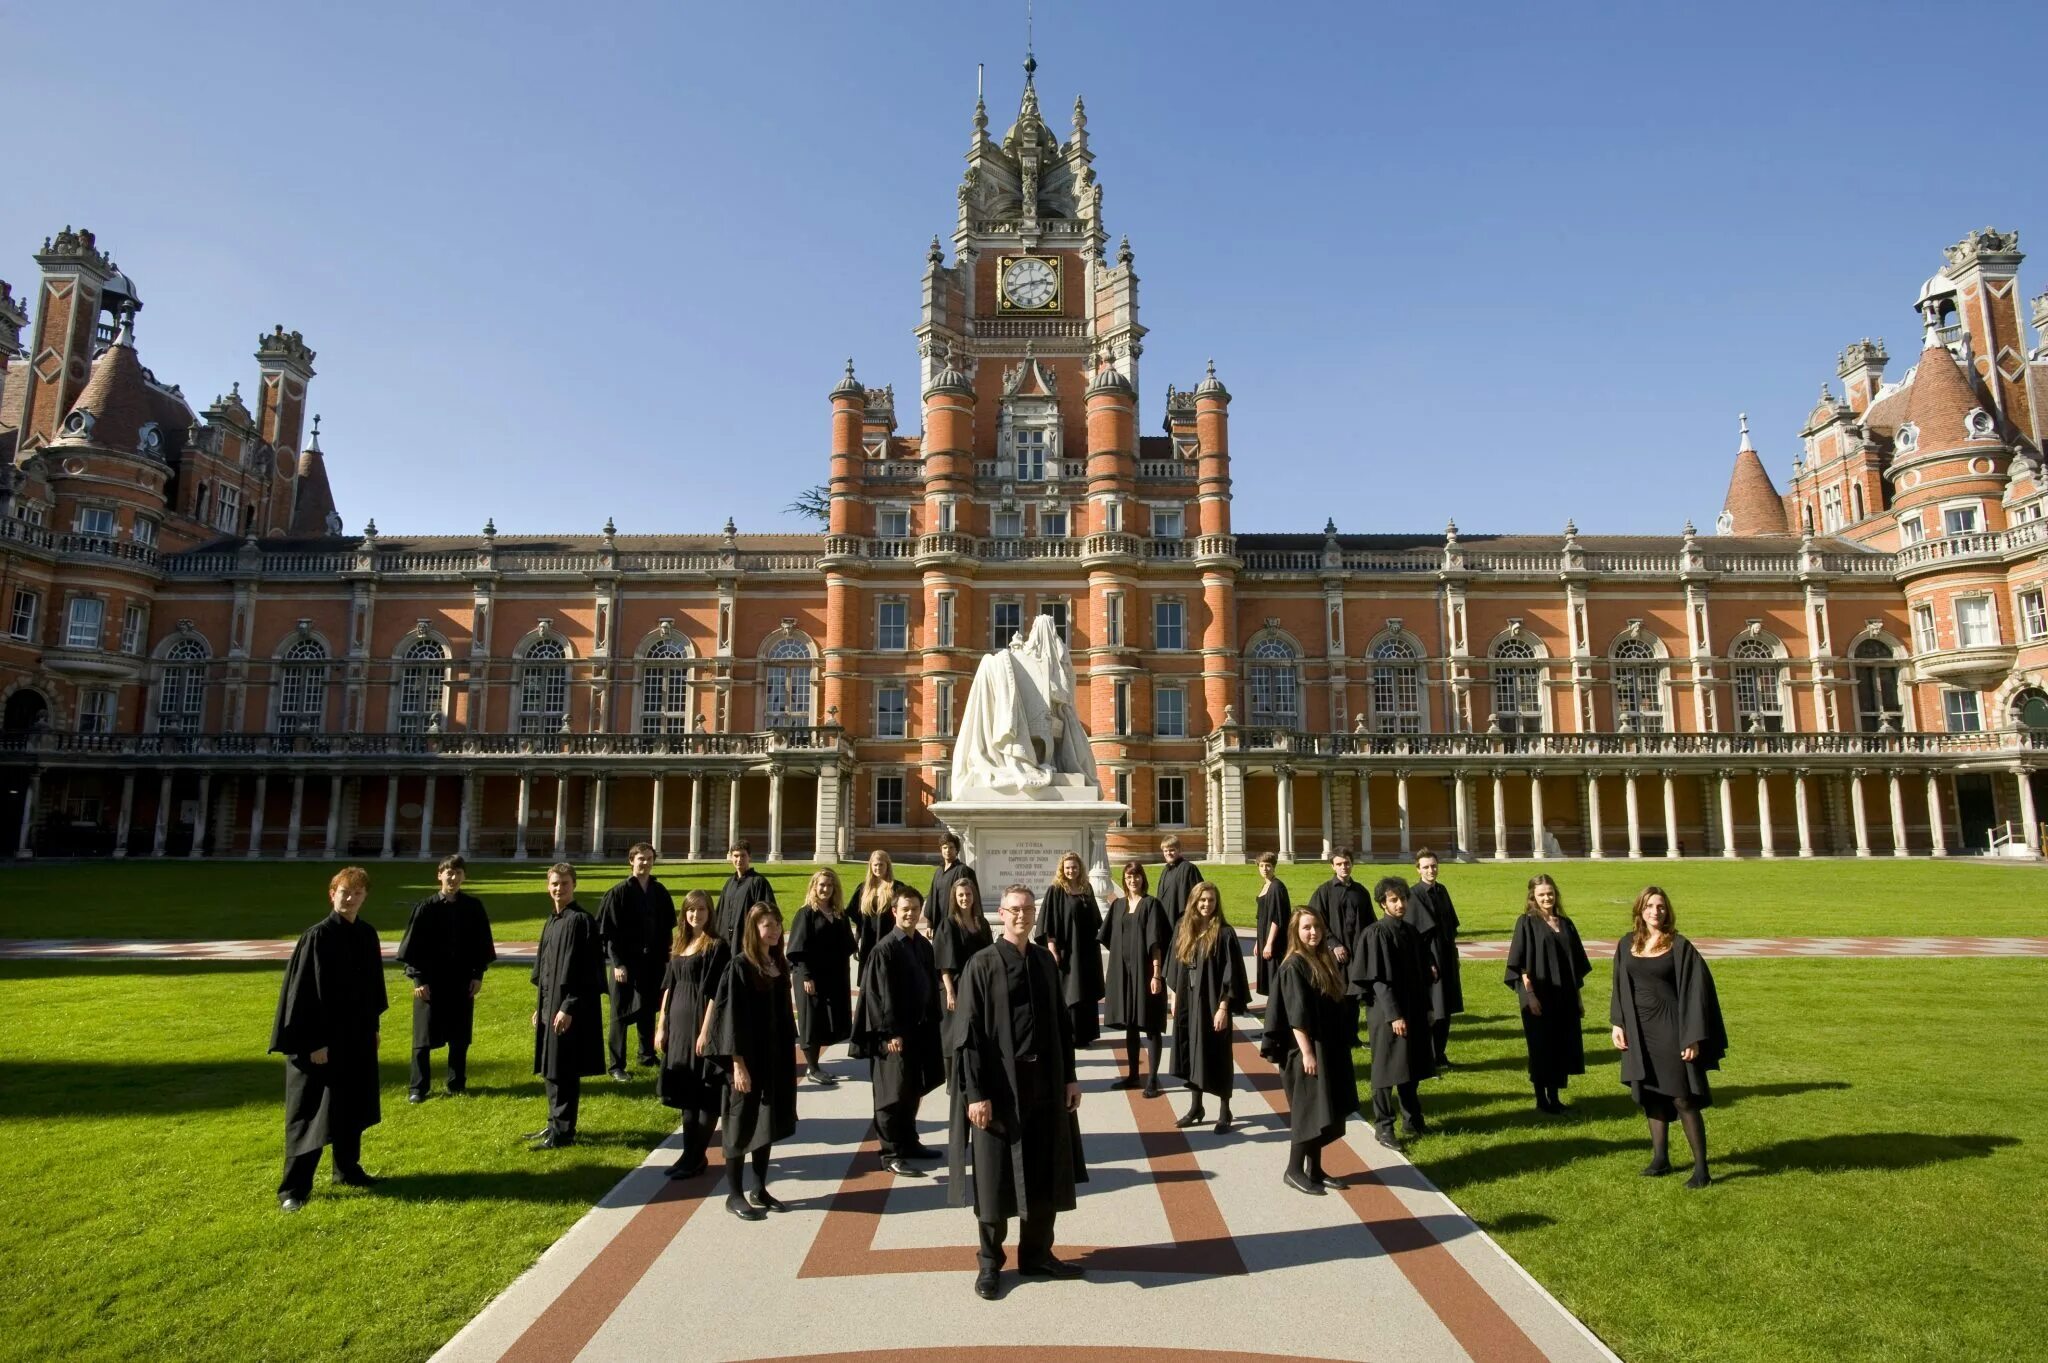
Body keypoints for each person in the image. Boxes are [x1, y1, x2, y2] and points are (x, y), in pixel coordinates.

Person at [949, 885, 1087, 1300]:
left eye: (1028, 909)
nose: (1021, 916)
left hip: (1044, 1082)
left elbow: (1062, 1025)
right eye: (1014, 910)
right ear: (1001, 914)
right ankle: (990, 1263)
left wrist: (1071, 1077)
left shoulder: (1044, 961)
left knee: (1044, 1169)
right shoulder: (982, 965)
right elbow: (968, 1036)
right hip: (998, 1089)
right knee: (995, 1178)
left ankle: (1037, 1254)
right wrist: (976, 1094)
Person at [269, 867, 388, 1212]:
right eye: (344, 892)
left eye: (357, 893)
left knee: (351, 1104)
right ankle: (294, 1188)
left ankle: (347, 1170)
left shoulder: (366, 934)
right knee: (311, 1111)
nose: (350, 899)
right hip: (319, 1042)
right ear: (332, 893)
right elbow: (303, 994)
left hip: (357, 1036)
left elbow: (371, 989)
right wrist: (314, 1043)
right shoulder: (317, 937)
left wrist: (374, 1027)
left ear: (365, 897)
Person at [1611, 886, 1728, 1189]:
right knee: (1651, 1095)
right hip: (1640, 1029)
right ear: (1640, 910)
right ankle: (1660, 1158)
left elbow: (1697, 992)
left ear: (1667, 910)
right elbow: (1619, 986)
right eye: (1650, 906)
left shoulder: (1679, 945)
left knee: (1682, 1097)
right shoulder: (1627, 944)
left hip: (1672, 1028)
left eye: (1660, 907)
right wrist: (1618, 1023)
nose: (1655, 912)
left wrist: (1692, 1037)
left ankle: (1702, 1168)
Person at [702, 902, 800, 1220]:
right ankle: (734, 1194)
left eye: (776, 924)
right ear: (753, 929)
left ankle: (759, 1188)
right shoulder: (739, 967)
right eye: (766, 925)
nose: (772, 931)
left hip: (773, 1058)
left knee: (765, 1122)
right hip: (745, 1059)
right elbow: (728, 1019)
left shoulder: (777, 964)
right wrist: (737, 1064)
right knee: (739, 1124)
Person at [1258, 907, 1356, 1195]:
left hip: (1327, 1046)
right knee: (1307, 1111)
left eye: (1316, 926)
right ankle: (1294, 1169)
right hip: (1303, 1051)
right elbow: (1296, 1015)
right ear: (1295, 932)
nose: (1313, 932)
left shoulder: (1321, 960)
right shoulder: (1293, 966)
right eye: (1306, 928)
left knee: (1323, 1107)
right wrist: (1308, 1054)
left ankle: (1315, 1169)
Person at [395, 853, 496, 1102]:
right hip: (430, 981)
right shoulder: (426, 908)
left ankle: (457, 1082)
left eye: (458, 873)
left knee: (459, 1035)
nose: (453, 877)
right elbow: (412, 947)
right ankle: (418, 1087)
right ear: (439, 875)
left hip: (461, 980)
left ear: (464, 877)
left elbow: (482, 944)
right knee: (423, 1037)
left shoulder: (473, 908)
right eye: (448, 872)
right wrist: (418, 980)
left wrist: (478, 975)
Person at [859, 885, 945, 1175]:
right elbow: (877, 996)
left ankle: (909, 1142)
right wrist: (888, 1034)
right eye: (905, 909)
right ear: (894, 911)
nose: (910, 914)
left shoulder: (922, 945)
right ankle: (890, 1153)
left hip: (919, 1030)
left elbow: (930, 986)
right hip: (894, 1035)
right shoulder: (884, 949)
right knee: (890, 1094)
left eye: (915, 909)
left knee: (912, 1088)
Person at [1357, 877, 1437, 1150]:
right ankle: (1384, 1126)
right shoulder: (1376, 934)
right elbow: (1378, 980)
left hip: (1412, 1007)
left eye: (1402, 899)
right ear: (1382, 903)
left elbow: (1420, 976)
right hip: (1385, 1011)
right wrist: (1394, 1015)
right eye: (1393, 900)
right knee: (1385, 1069)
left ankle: (1412, 1119)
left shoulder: (1411, 932)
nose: (1400, 904)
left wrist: (1427, 1007)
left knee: (1409, 1065)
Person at [654, 890, 729, 1178]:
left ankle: (697, 1156)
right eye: (690, 910)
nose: (696, 915)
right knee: (685, 1092)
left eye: (701, 910)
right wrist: (662, 1025)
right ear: (684, 914)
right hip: (678, 1024)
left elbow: (714, 993)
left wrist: (706, 1031)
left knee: (705, 1092)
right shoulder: (680, 943)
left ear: (710, 913)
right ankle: (688, 1153)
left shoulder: (717, 946)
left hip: (701, 1023)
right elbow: (669, 987)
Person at [530, 862, 604, 1149]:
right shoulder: (553, 920)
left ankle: (564, 1130)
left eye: (563, 883)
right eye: (554, 884)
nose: (558, 888)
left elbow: (586, 971)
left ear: (574, 885)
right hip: (551, 1006)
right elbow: (546, 970)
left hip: (570, 1010)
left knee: (565, 1069)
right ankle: (552, 1123)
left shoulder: (581, 921)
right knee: (551, 1066)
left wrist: (567, 1007)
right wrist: (542, 1006)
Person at [1506, 873, 1592, 1114]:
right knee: (1541, 1045)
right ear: (1533, 896)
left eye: (1550, 893)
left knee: (1561, 1044)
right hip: (1537, 994)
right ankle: (1541, 1099)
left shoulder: (1566, 924)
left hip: (1563, 994)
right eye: (1542, 894)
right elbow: (1521, 963)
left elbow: (1575, 965)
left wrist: (1578, 998)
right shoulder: (1526, 922)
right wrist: (1529, 995)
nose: (1547, 898)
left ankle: (1554, 1097)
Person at [1167, 881, 1248, 1132]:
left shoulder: (1224, 933)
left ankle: (1225, 1110)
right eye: (1202, 900)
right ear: (1194, 901)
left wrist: (1223, 1007)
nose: (1206, 905)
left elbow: (1230, 974)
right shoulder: (1183, 928)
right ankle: (1196, 1107)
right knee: (1190, 1052)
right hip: (1188, 1002)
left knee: (1218, 1054)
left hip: (1213, 1002)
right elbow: (1175, 965)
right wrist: (1173, 997)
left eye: (1211, 900)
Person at [596, 842, 677, 1080]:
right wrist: (618, 963)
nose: (645, 863)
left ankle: (647, 1055)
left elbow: (666, 930)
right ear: (631, 861)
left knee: (648, 1008)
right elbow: (608, 933)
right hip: (625, 963)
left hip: (652, 961)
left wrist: (667, 959)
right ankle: (616, 1065)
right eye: (641, 858)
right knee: (620, 1013)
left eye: (649, 858)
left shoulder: (659, 892)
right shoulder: (618, 893)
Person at [1099, 861, 1170, 1097]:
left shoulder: (1152, 905)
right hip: (1123, 973)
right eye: (1129, 877)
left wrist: (1157, 974)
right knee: (1129, 1025)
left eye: (1137, 876)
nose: (1133, 880)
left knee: (1150, 1025)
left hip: (1146, 972)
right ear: (1124, 879)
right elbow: (1108, 937)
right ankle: (1132, 1075)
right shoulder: (1118, 905)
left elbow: (1157, 942)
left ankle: (1152, 1078)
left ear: (1143, 878)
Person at [787, 867, 857, 1086]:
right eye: (822, 885)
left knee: (825, 1020)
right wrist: (806, 976)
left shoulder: (839, 915)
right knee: (811, 1020)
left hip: (832, 977)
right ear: (814, 887)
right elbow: (798, 948)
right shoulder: (806, 913)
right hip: (809, 976)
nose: (825, 889)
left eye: (829, 885)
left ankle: (815, 1065)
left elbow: (848, 946)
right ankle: (812, 1067)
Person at [1034, 851, 1104, 1048]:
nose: (1071, 871)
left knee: (1087, 990)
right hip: (1067, 950)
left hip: (1087, 949)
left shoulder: (1086, 888)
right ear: (1062, 870)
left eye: (1074, 867)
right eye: (1067, 868)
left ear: (1079, 868)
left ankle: (1086, 1034)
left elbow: (1096, 920)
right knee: (1070, 991)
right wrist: (1052, 948)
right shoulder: (1056, 891)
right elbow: (1048, 923)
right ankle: (1070, 1036)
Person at [933, 873, 995, 1086]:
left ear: (974, 896)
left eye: (968, 894)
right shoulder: (948, 925)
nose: (964, 898)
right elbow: (943, 962)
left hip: (979, 984)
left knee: (978, 1028)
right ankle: (952, 1079)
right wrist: (949, 991)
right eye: (960, 895)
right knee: (952, 1032)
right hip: (955, 984)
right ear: (954, 897)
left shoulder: (982, 923)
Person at [1406, 848, 1464, 1067]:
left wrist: (1454, 954)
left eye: (1434, 866)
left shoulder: (1442, 891)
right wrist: (1428, 962)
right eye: (1426, 867)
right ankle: (1427, 1056)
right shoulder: (1414, 895)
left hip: (1447, 954)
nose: (1431, 870)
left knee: (1446, 1008)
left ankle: (1440, 1054)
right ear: (1418, 869)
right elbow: (1417, 935)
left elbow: (1451, 926)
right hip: (1430, 958)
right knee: (1433, 1010)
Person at [1306, 848, 1372, 975]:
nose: (1344, 867)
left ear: (1352, 864)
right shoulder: (1323, 892)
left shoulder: (1361, 892)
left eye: (1347, 863)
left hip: (1359, 954)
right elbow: (1315, 921)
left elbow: (1370, 922)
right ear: (1333, 867)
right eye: (1339, 864)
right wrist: (1334, 944)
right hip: (1334, 955)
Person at [715, 840, 777, 946]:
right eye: (736, 856)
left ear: (749, 857)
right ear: (731, 858)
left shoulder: (758, 882)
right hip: (725, 941)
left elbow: (767, 914)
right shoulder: (729, 884)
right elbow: (720, 914)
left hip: (747, 941)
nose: (739, 860)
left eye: (743, 856)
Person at [850, 848, 903, 968]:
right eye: (875, 865)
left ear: (887, 866)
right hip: (868, 940)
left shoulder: (897, 888)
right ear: (870, 866)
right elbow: (859, 920)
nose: (878, 868)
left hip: (890, 941)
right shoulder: (863, 889)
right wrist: (856, 941)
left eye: (881, 865)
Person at [1251, 850, 1291, 997]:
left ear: (1274, 867)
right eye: (1261, 866)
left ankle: (1278, 1006)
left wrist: (1269, 943)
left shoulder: (1276, 887)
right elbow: (1261, 916)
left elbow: (1277, 918)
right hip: (1264, 936)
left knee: (1274, 973)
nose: (1265, 869)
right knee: (1268, 974)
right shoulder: (1266, 885)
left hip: (1274, 939)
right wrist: (1258, 941)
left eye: (1268, 865)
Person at [1155, 834, 1203, 932]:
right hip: (1165, 924)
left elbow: (1198, 896)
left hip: (1182, 924)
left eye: (1172, 850)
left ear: (1179, 850)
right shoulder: (1165, 870)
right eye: (1165, 851)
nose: (1168, 853)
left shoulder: (1188, 868)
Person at [930, 833, 978, 929]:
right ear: (941, 849)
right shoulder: (939, 871)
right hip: (939, 922)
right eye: (945, 847)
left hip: (957, 922)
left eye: (951, 847)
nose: (947, 850)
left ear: (956, 850)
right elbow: (932, 898)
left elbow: (969, 898)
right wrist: (930, 924)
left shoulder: (963, 871)